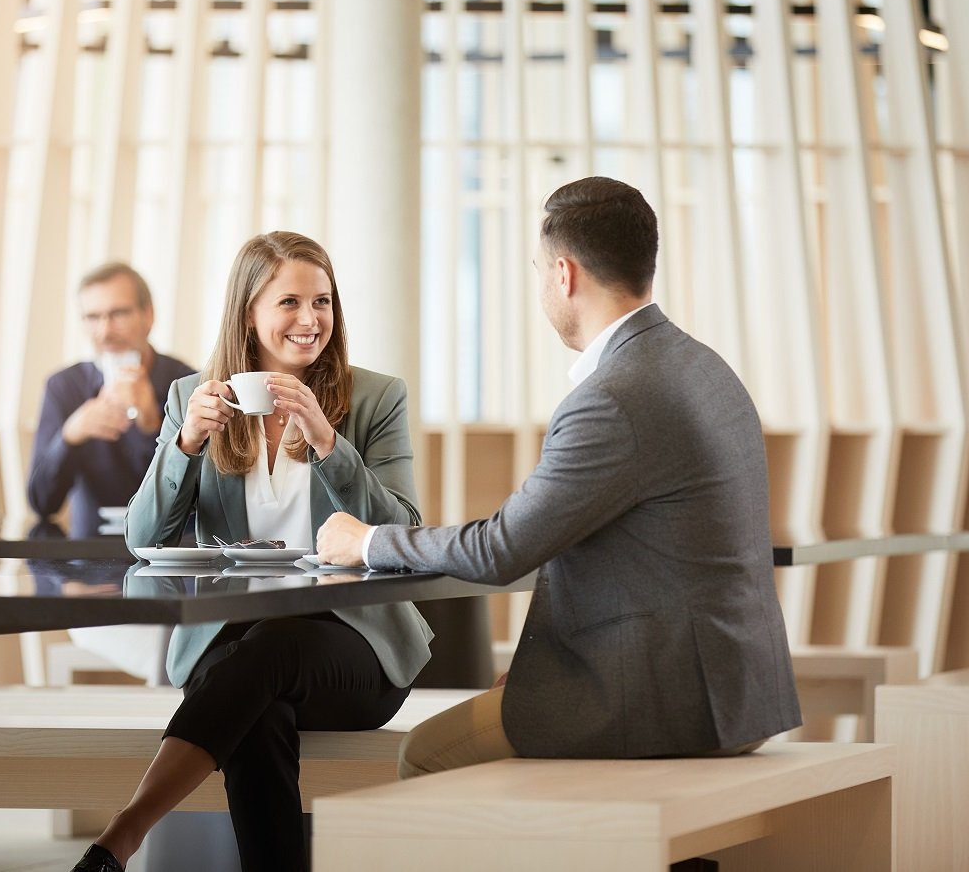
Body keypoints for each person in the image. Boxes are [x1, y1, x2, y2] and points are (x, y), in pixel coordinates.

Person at [318, 176, 802, 774]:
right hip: (738, 691)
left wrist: (364, 539)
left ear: (564, 275)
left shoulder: (614, 398)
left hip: (661, 703)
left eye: (538, 269)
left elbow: (501, 550)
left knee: (421, 756)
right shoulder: (703, 367)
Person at [71, 232, 432, 872]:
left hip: (353, 643)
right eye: (289, 302)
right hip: (240, 647)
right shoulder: (192, 398)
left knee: (269, 649)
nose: (310, 319)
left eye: (322, 302)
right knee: (259, 711)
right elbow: (143, 538)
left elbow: (402, 532)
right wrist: (182, 444)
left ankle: (122, 835)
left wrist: (328, 442)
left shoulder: (376, 398)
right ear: (248, 314)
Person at [27, 262, 194, 538]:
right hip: (89, 556)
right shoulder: (64, 387)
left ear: (148, 315)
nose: (105, 331)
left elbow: (197, 497)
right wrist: (70, 435)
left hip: (171, 550)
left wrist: (152, 423)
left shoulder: (186, 383)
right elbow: (42, 504)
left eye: (119, 314)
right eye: (92, 317)